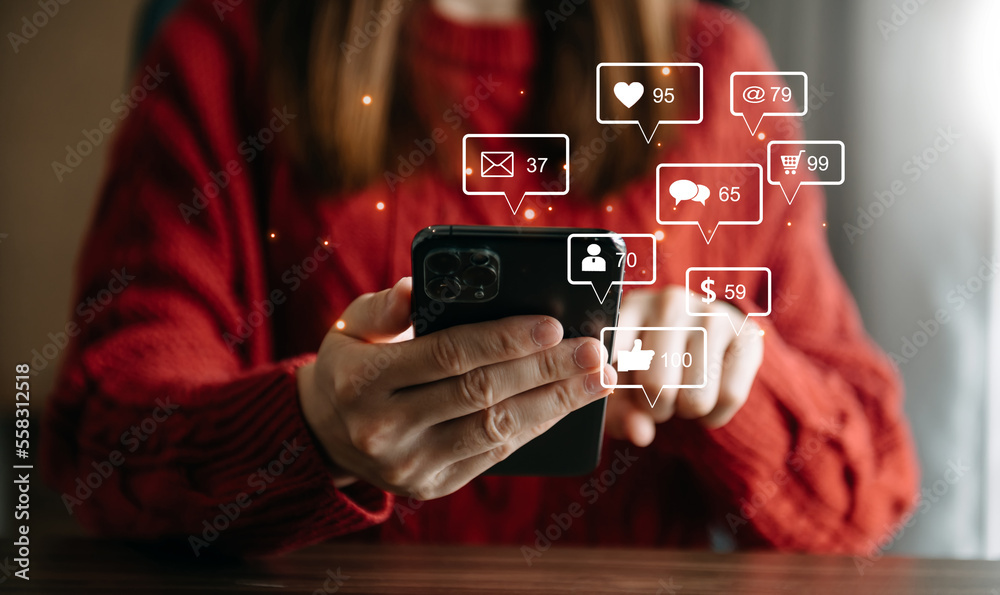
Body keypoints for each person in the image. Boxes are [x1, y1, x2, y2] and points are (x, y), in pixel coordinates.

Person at [42, 0, 918, 557]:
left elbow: (870, 484)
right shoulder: (222, 50)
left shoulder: (718, 69)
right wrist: (317, 428)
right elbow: (100, 434)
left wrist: (734, 387)